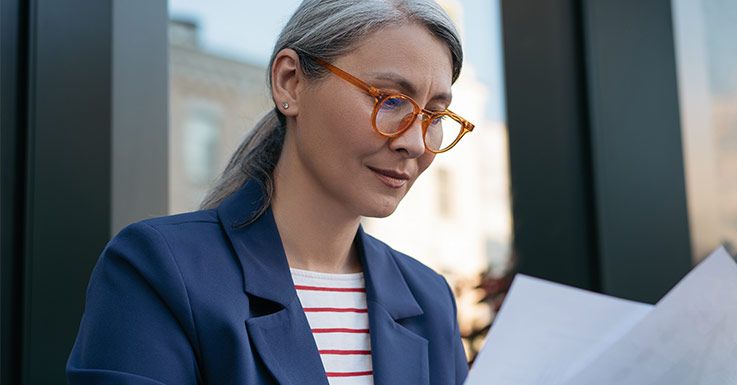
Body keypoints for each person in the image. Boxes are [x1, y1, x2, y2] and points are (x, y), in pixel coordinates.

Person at [66, 0, 474, 383]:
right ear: (290, 83)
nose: (417, 143)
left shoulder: (429, 298)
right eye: (390, 100)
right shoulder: (157, 268)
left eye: (435, 115)